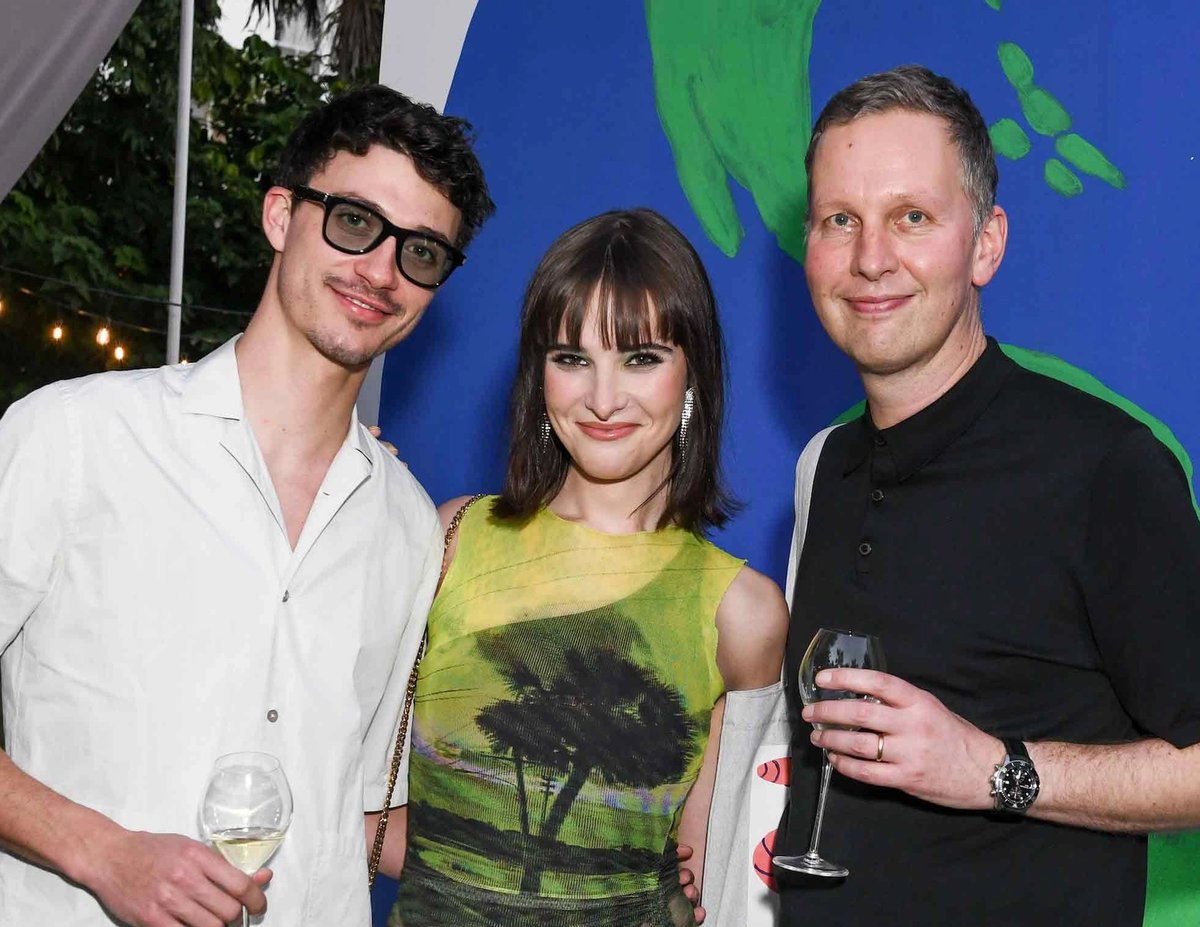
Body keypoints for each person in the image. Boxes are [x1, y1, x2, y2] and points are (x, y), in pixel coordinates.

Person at [0, 84, 493, 925]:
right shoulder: (75, 437)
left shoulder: (408, 526)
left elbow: (362, 812)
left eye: (421, 251)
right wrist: (102, 850)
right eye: (354, 221)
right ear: (280, 215)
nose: (381, 270)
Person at [776, 64, 1200, 926]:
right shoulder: (825, 466)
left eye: (913, 217)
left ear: (986, 244)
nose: (870, 258)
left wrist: (992, 770)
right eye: (840, 219)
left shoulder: (1105, 469)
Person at [377, 208, 788, 926]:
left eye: (641, 358)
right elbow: (358, 796)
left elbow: (712, 888)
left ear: (692, 374)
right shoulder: (452, 536)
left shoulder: (742, 613)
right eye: (572, 358)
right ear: (539, 375)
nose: (602, 399)